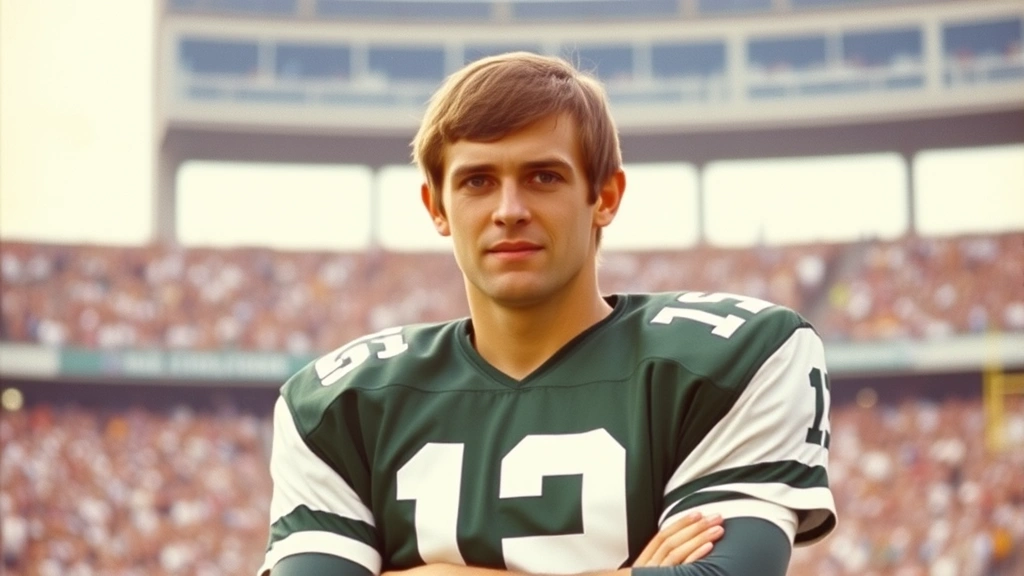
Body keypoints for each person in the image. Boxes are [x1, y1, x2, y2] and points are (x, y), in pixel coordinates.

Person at [258, 52, 836, 576]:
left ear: (604, 197)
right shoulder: (338, 403)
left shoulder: (737, 356)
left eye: (543, 176)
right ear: (437, 206)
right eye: (478, 181)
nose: (509, 210)